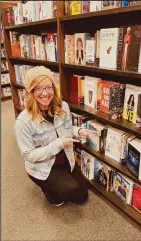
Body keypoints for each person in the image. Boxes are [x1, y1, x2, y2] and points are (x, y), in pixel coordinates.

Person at [14, 66, 93, 206]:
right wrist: (57, 145)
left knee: (81, 197)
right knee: (67, 192)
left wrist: (78, 131)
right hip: (44, 166)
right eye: (38, 88)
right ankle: (45, 188)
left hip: (66, 158)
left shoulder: (63, 107)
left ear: (54, 88)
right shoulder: (23, 122)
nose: (45, 93)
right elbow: (29, 155)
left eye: (49, 87)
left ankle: (60, 180)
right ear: (31, 91)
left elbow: (66, 129)